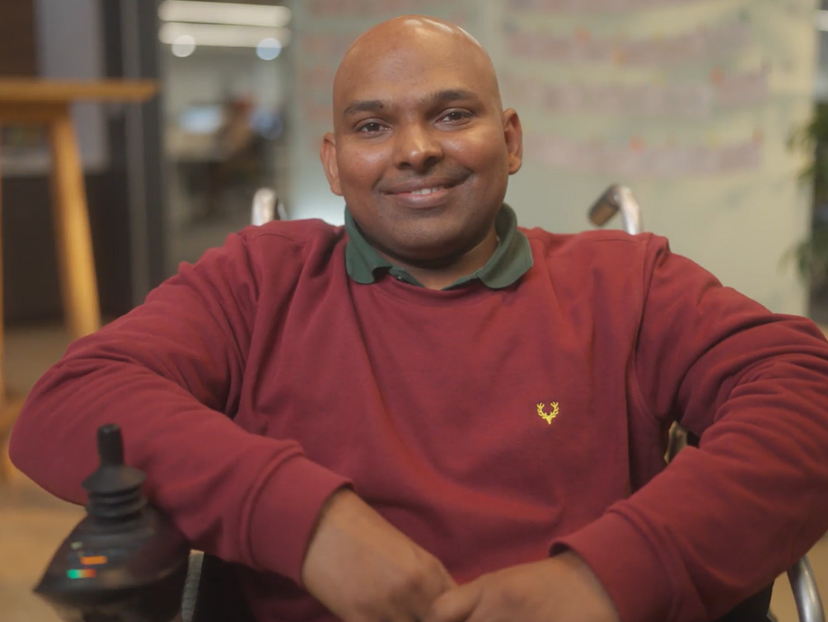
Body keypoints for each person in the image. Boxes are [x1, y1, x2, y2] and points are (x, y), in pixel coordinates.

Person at [10, 15, 828, 622]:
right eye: (373, 126)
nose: (415, 150)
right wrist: (308, 523)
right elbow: (74, 400)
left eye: (451, 115)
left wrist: (606, 578)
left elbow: (806, 393)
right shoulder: (260, 283)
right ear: (334, 162)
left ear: (510, 140)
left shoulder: (624, 283)